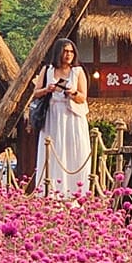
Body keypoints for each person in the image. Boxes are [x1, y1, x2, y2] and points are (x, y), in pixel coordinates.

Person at [33, 38, 92, 199]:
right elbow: (35, 92)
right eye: (65, 51)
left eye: (71, 52)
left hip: (72, 115)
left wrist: (72, 92)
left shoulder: (78, 72)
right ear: (58, 52)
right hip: (53, 114)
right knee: (54, 150)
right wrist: (47, 89)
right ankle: (52, 192)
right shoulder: (48, 70)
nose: (68, 55)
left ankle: (76, 192)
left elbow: (83, 97)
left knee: (74, 151)